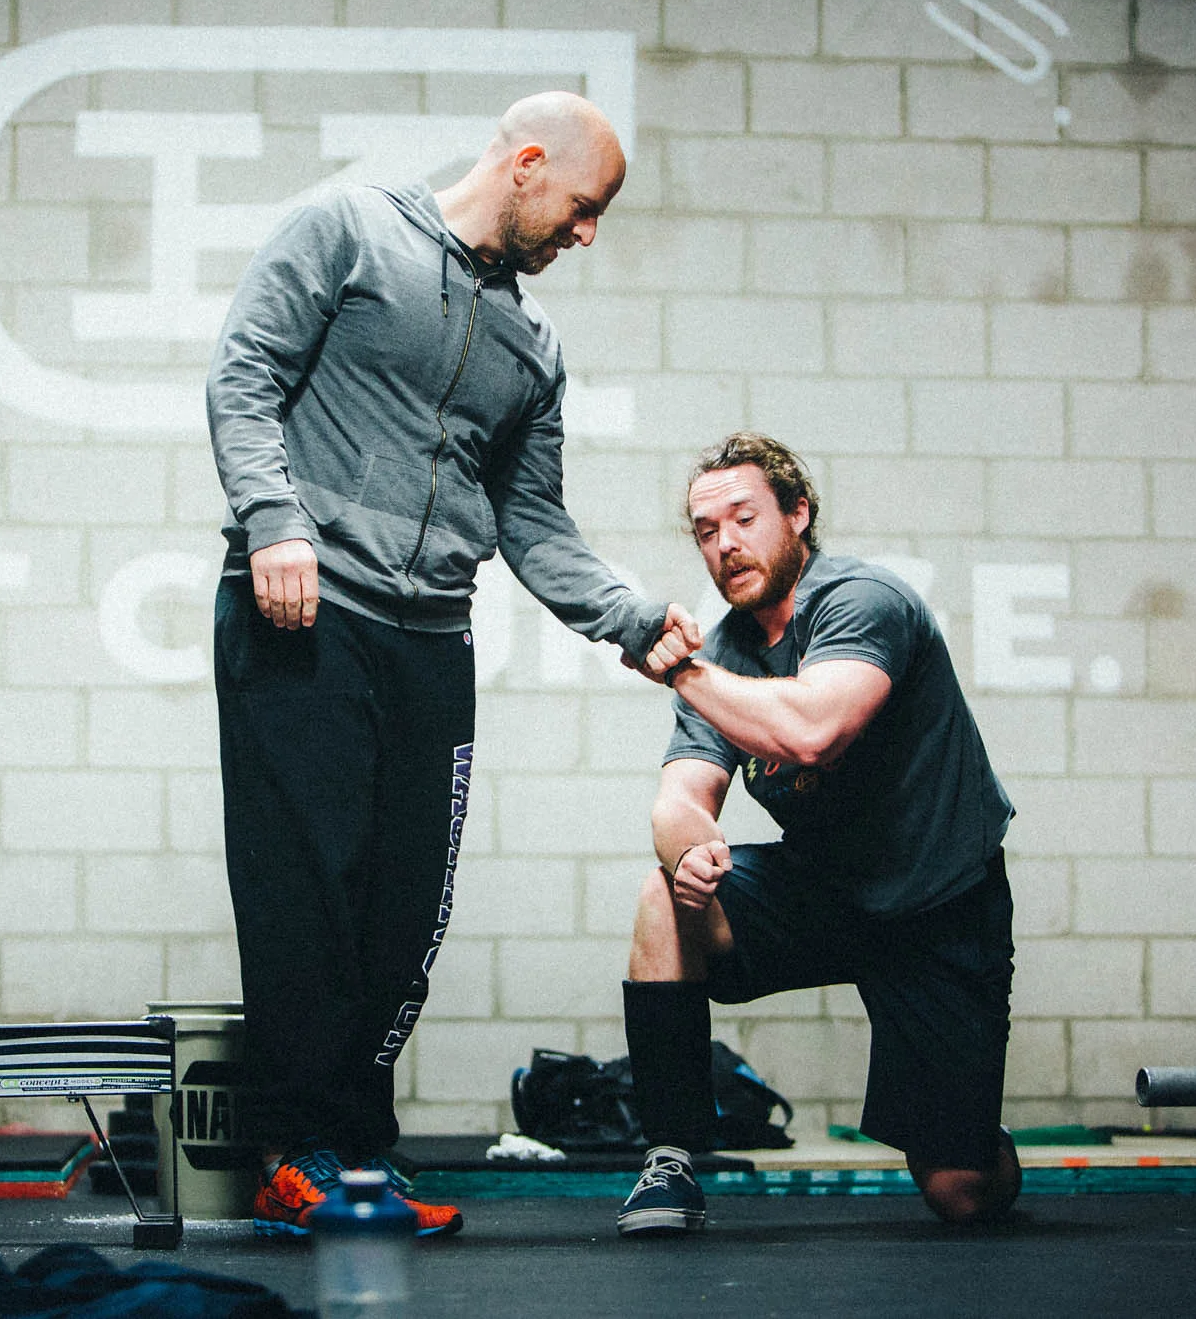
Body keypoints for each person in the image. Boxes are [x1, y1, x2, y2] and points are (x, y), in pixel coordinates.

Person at [207, 91, 701, 1239]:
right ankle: (295, 1154)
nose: (586, 234)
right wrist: (274, 520)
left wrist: (628, 618)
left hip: (429, 638)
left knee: (402, 915)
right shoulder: (348, 229)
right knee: (306, 896)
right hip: (304, 614)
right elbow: (244, 375)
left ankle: (352, 1153)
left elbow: (531, 519)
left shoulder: (533, 347)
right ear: (525, 163)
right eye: (582, 206)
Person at [615, 432, 1021, 1236]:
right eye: (706, 530)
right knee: (663, 898)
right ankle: (670, 1159)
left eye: (744, 518)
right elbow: (680, 796)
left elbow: (811, 732)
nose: (726, 544)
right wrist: (690, 849)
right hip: (823, 889)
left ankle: (968, 1123)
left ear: (798, 514)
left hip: (939, 903)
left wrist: (681, 670)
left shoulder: (864, 600)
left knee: (959, 1188)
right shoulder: (726, 653)